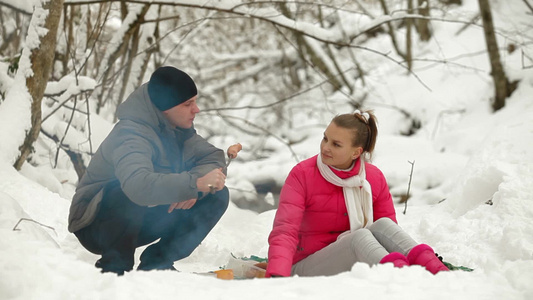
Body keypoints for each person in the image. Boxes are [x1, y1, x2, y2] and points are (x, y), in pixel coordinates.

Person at [68, 66, 229, 275]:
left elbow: (214, 157)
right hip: (95, 222)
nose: (196, 109)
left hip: (141, 217)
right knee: (123, 189)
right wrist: (192, 184)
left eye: (195, 101)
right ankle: (116, 267)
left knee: (216, 194)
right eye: (188, 104)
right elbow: (138, 185)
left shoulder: (177, 129)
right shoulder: (131, 134)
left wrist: (196, 187)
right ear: (165, 107)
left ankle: (157, 263)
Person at [265, 110, 449, 277]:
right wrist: (278, 275)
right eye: (325, 138)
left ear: (356, 152)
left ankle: (436, 269)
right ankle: (400, 277)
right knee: (359, 237)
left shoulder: (373, 178)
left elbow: (386, 234)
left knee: (383, 225)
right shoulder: (302, 175)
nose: (325, 147)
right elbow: (285, 230)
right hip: (305, 266)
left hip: (358, 255)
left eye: (336, 144)